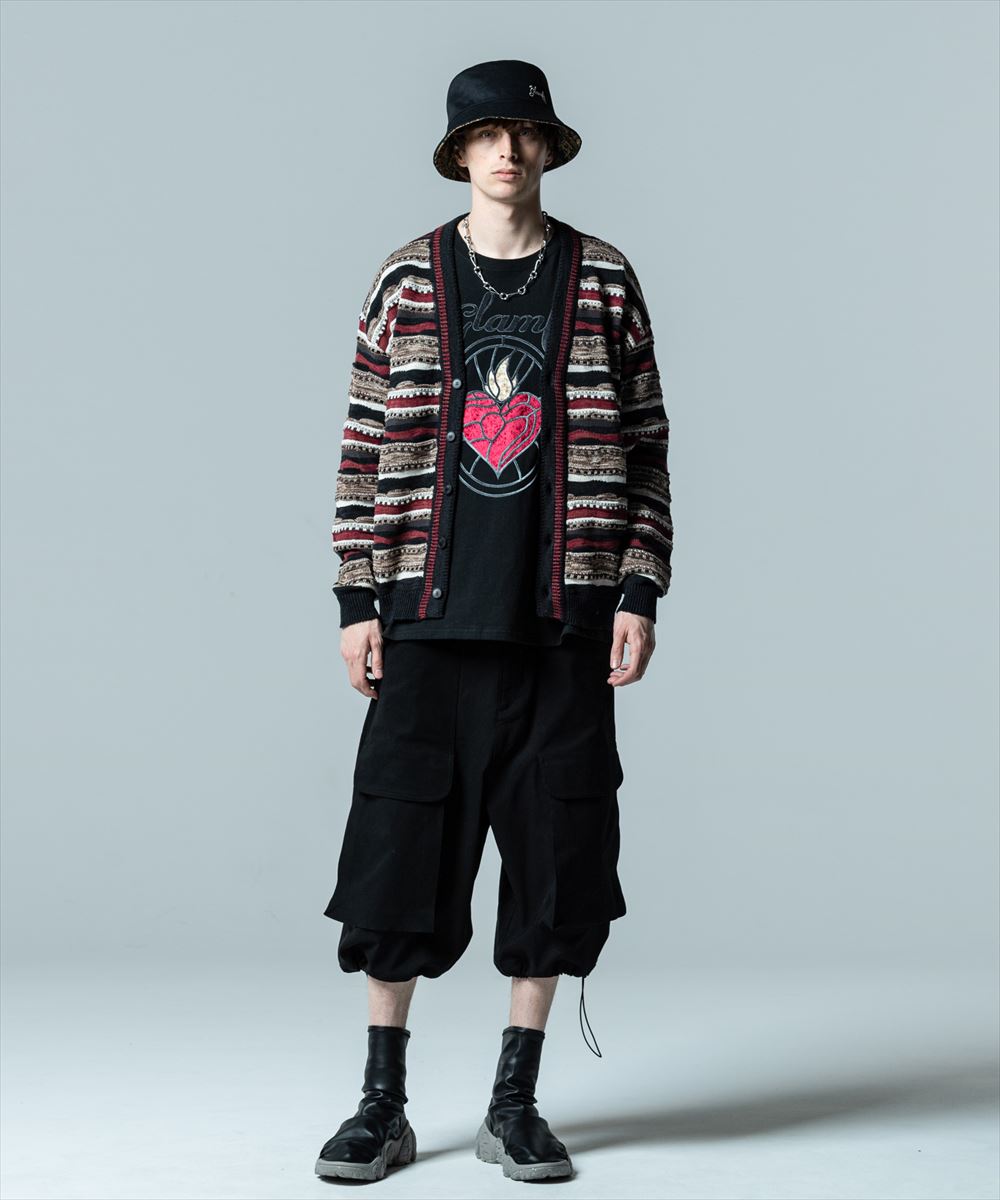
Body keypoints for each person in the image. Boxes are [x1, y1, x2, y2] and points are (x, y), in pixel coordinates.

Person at [315, 59, 673, 1183]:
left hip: (562, 623)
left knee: (559, 858)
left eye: (523, 133)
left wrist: (637, 588)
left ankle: (515, 1101)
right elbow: (363, 443)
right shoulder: (406, 278)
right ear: (459, 153)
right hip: (426, 617)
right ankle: (381, 1103)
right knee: (396, 860)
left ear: (548, 148)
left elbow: (648, 445)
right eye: (486, 136)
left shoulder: (603, 278)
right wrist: (357, 597)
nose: (506, 152)